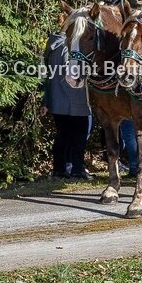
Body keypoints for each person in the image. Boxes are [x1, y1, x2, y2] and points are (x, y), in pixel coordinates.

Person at [41, 10, 93, 179]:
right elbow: (75, 72)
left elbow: (48, 75)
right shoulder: (70, 46)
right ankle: (77, 168)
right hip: (75, 99)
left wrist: (46, 100)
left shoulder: (52, 45)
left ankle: (59, 169)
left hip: (57, 100)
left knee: (62, 135)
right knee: (79, 135)